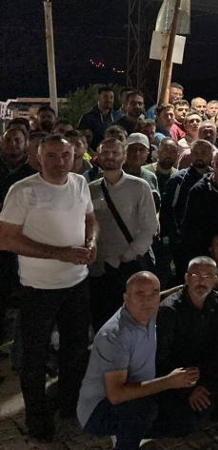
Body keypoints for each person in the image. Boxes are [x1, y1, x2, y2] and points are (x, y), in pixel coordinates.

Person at [0, 135, 99, 440]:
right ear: (39, 158)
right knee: (34, 356)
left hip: (77, 283)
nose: (60, 162)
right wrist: (59, 253)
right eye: (52, 156)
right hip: (39, 288)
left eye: (65, 155)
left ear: (75, 157)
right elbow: (6, 239)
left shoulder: (80, 183)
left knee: (75, 350)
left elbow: (90, 219)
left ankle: (69, 404)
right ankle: (37, 417)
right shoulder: (23, 190)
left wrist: (91, 242)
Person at [78, 272, 200, 450]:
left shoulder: (149, 310)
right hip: (99, 409)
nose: (147, 301)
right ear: (126, 298)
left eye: (153, 294)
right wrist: (169, 381)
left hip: (139, 388)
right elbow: (116, 395)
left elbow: (158, 295)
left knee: (185, 422)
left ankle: (131, 430)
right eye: (140, 294)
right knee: (143, 410)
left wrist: (186, 287)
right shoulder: (115, 336)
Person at [156, 257, 218, 432]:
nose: (202, 281)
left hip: (207, 365)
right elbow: (160, 358)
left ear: (215, 279)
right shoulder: (169, 310)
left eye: (208, 276)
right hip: (180, 372)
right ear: (186, 278)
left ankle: (217, 400)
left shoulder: (217, 300)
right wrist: (188, 391)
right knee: (187, 422)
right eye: (196, 275)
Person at [88, 138, 158, 332]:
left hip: (129, 265)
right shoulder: (91, 189)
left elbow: (149, 226)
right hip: (100, 268)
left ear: (124, 156)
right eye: (106, 153)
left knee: (134, 320)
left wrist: (128, 255)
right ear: (98, 156)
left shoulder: (139, 186)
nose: (110, 157)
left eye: (115, 153)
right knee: (102, 321)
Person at [161, 139, 214, 280]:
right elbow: (167, 211)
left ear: (211, 155)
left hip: (210, 242)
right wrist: (172, 237)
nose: (199, 156)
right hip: (184, 243)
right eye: (196, 152)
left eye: (204, 153)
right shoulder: (178, 180)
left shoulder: (216, 179)